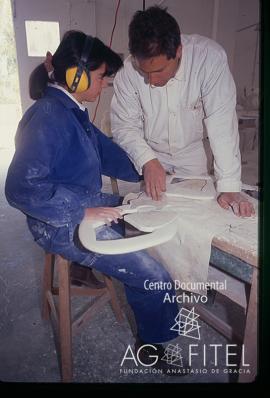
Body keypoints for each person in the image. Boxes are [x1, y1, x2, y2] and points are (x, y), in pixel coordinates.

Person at [5, 30, 186, 374]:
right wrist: (81, 212)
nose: (105, 85)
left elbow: (106, 152)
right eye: (102, 77)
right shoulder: (48, 117)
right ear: (77, 75)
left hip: (84, 203)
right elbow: (20, 189)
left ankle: (147, 288)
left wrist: (150, 165)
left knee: (147, 212)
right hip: (59, 223)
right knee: (153, 273)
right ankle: (153, 345)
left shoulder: (72, 112)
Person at [111, 6, 255, 218]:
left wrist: (230, 186)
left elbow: (222, 123)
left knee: (196, 217)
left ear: (178, 51)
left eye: (159, 71)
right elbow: (124, 126)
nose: (151, 81)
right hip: (152, 154)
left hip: (194, 156)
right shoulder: (127, 72)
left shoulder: (209, 59)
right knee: (152, 216)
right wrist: (147, 160)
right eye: (144, 71)